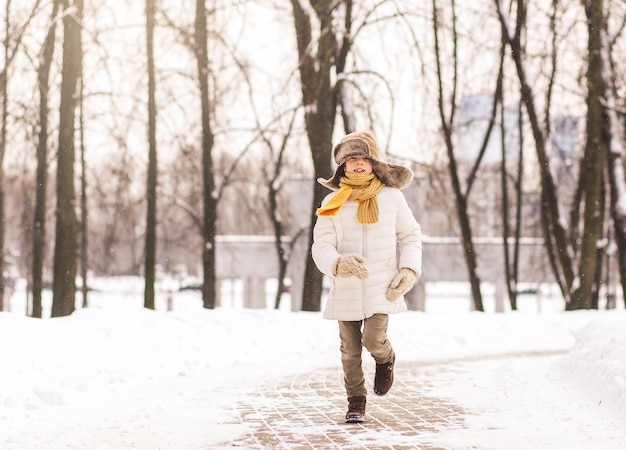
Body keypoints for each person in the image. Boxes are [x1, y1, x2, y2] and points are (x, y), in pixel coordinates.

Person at [312, 131, 422, 423]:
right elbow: (321, 245)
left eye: (363, 159)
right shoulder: (333, 202)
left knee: (372, 339)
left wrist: (409, 269)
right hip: (345, 286)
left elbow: (410, 235)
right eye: (351, 160)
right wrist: (337, 263)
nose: (358, 165)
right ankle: (356, 401)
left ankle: (386, 358)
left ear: (374, 163)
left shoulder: (392, 198)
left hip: (381, 286)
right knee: (349, 350)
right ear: (342, 167)